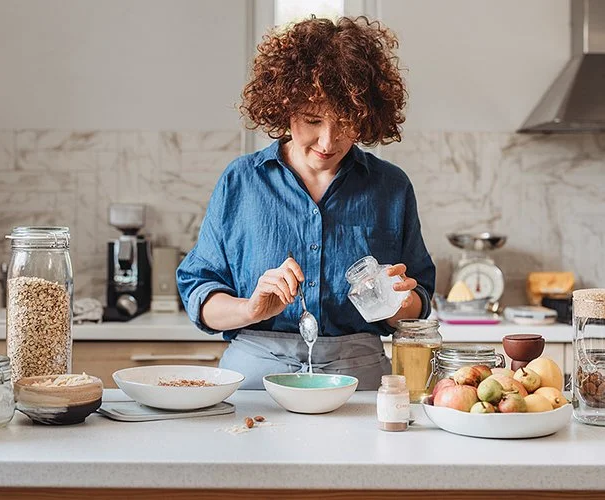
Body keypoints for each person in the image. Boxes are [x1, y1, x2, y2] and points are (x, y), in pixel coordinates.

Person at [177, 16, 435, 390]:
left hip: (359, 373)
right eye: (313, 120)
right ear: (284, 108)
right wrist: (249, 308)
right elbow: (200, 293)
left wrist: (401, 304)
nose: (328, 141)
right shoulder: (242, 181)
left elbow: (419, 302)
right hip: (254, 373)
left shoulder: (390, 186)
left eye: (346, 121)